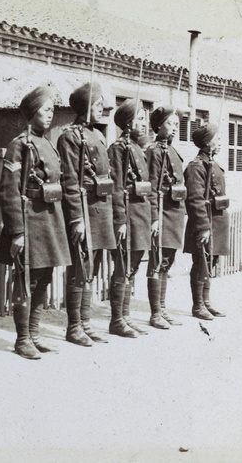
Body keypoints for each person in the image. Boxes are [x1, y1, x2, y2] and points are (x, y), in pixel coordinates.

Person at [0, 85, 71, 360]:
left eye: (52, 109)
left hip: (50, 219)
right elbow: (9, 192)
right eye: (46, 109)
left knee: (45, 277)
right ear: (32, 112)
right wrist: (17, 232)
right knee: (27, 279)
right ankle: (23, 339)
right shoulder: (20, 145)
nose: (50, 114)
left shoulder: (48, 143)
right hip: (30, 222)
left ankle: (35, 334)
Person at [57, 81, 114, 346]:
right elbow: (69, 181)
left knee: (93, 269)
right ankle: (74, 327)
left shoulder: (99, 136)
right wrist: (77, 218)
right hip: (84, 211)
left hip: (101, 211)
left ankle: (87, 322)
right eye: (98, 105)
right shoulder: (70, 137)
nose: (102, 109)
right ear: (85, 107)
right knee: (80, 268)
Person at [106, 99, 152, 338]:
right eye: (140, 119)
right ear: (127, 122)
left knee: (131, 268)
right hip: (128, 218)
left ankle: (125, 316)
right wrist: (120, 221)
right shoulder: (118, 148)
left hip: (140, 216)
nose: (145, 124)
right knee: (122, 267)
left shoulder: (136, 148)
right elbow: (116, 188)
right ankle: (116, 320)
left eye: (145, 119)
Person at [183, 123, 230, 319]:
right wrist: (203, 227)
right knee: (201, 261)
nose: (220, 143)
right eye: (217, 139)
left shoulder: (213, 164)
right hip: (205, 223)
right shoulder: (196, 167)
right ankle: (198, 305)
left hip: (217, 222)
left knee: (211, 261)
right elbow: (194, 199)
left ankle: (207, 301)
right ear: (207, 143)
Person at [146, 106, 185, 329]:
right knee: (157, 261)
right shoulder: (153, 151)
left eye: (177, 125)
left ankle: (162, 308)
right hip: (161, 212)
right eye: (171, 124)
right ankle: (155, 313)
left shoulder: (172, 151)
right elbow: (151, 187)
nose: (175, 128)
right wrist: (154, 217)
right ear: (159, 126)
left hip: (174, 213)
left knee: (167, 261)